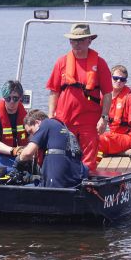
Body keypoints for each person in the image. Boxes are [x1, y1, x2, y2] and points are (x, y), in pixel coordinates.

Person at [46, 23, 113, 172]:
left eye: (81, 40)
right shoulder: (61, 62)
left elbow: (108, 94)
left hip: (89, 122)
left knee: (88, 162)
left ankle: (86, 188)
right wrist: (51, 117)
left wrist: (104, 117)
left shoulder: (100, 63)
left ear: (89, 40)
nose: (77, 44)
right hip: (64, 121)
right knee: (62, 157)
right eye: (74, 40)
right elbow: (54, 91)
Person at [17, 109, 89, 188]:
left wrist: (17, 163)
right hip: (74, 180)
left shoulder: (46, 123)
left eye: (31, 132)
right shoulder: (66, 131)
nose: (31, 137)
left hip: (56, 183)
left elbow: (27, 153)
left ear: (37, 123)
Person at [98, 65, 131, 155]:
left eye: (122, 79)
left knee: (99, 141)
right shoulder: (104, 97)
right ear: (110, 78)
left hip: (130, 138)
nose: (118, 81)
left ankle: (121, 152)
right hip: (114, 136)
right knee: (88, 138)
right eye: (115, 78)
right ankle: (121, 152)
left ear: (125, 82)